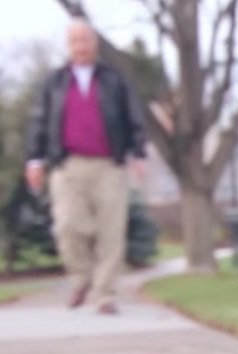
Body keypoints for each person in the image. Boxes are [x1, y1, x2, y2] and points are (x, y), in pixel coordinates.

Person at [25, 18, 147, 314]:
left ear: (95, 44)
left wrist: (139, 154)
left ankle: (104, 294)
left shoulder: (114, 80)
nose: (82, 46)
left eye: (87, 40)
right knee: (68, 224)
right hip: (67, 165)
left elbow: (134, 119)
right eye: (76, 41)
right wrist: (35, 160)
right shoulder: (54, 82)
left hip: (109, 165)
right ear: (69, 46)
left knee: (110, 232)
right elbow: (39, 121)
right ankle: (81, 278)